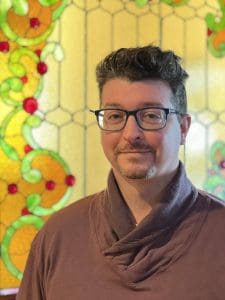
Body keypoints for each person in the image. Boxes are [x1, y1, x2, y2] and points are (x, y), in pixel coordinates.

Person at [17, 45, 225, 300]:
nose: (131, 134)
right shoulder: (58, 237)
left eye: (151, 115)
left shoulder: (218, 233)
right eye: (115, 116)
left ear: (183, 128)